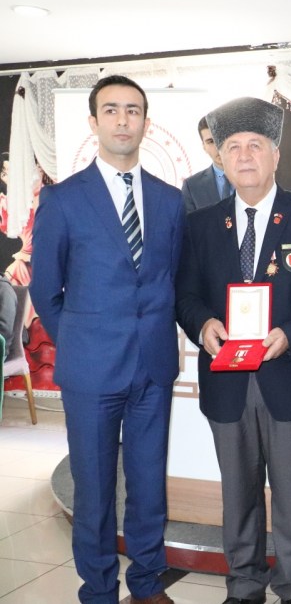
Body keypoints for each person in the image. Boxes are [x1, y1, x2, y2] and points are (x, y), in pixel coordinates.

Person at [175, 97, 291, 604]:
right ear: (220, 158)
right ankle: (244, 585)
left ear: (276, 155)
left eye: (255, 145)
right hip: (228, 382)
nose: (244, 156)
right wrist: (203, 323)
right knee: (238, 495)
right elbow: (185, 295)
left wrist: (290, 334)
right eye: (233, 147)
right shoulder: (201, 224)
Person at [30, 74, 184, 604]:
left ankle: (146, 583)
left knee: (148, 484)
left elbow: (172, 280)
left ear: (146, 122)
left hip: (153, 369)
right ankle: (97, 591)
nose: (123, 120)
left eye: (133, 110)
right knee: (94, 489)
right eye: (112, 110)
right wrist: (81, 343)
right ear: (94, 122)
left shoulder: (169, 200)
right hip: (91, 371)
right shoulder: (63, 200)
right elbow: (47, 290)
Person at [181, 116, 232, 212]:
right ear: (204, 146)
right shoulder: (191, 186)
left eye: (221, 138)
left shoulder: (256, 178)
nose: (218, 147)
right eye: (211, 141)